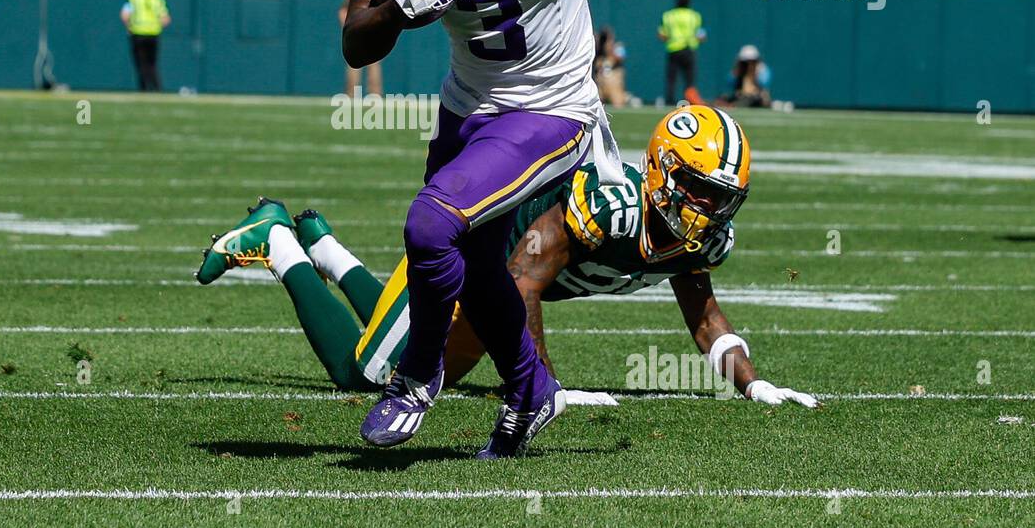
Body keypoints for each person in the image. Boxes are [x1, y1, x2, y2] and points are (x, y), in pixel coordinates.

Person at [337, 0, 798, 458]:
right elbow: (357, 42)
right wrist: (400, 8)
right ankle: (530, 392)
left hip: (552, 107)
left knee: (431, 227)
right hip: (468, 105)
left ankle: (416, 378)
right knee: (480, 266)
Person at [196, 107, 816, 419]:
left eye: (721, 197)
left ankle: (325, 247)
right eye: (699, 190)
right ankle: (279, 243)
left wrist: (751, 382)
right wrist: (545, 386)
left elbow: (703, 313)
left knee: (423, 363)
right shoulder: (612, 204)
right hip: (469, 249)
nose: (708, 210)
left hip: (491, 283)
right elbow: (523, 280)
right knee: (367, 377)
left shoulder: (696, 237)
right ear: (661, 171)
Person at [121, 0, 169, 92]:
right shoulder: (157, 0)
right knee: (152, 63)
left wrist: (129, 27)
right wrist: (155, 26)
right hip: (153, 35)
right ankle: (156, 87)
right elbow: (166, 19)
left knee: (141, 63)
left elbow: (125, 15)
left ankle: (144, 88)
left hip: (138, 34)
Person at [659, 0, 705, 105]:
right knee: (689, 78)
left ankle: (669, 100)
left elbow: (662, 35)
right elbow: (701, 35)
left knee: (671, 78)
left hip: (673, 49)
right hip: (689, 49)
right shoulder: (694, 16)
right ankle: (690, 100)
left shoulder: (668, 16)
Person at [338, 0, 383, 97]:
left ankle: (372, 93)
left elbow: (342, 12)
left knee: (366, 64)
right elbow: (342, 12)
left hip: (364, 32)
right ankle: (355, 94)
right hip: (365, 31)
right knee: (359, 64)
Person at [594, 27, 628, 107]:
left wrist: (610, 50)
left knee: (618, 104)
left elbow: (620, 56)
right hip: (600, 85)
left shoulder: (617, 48)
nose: (608, 42)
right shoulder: (598, 54)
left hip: (613, 84)